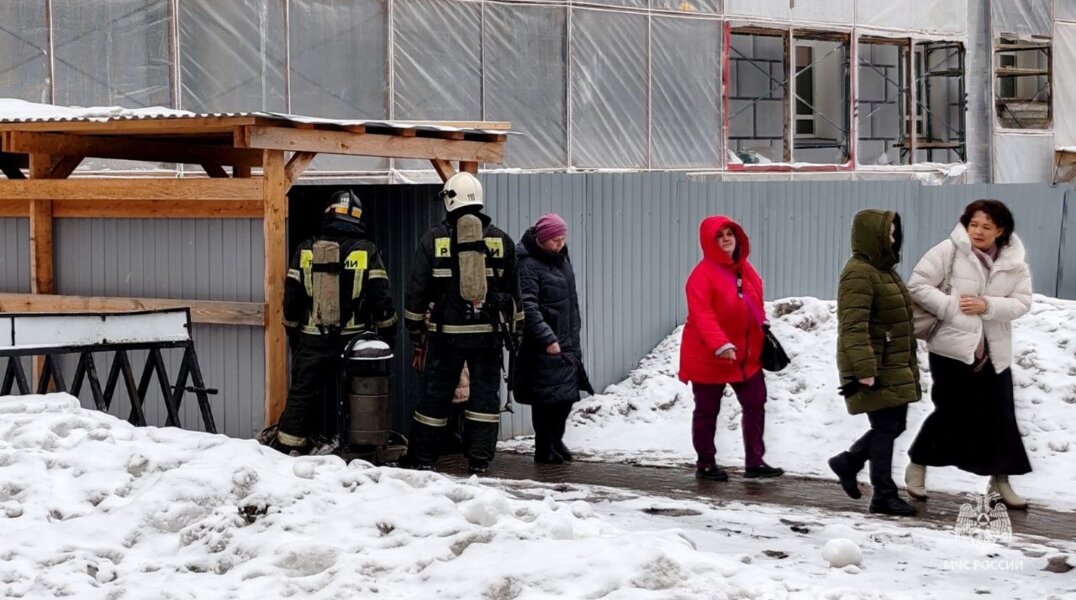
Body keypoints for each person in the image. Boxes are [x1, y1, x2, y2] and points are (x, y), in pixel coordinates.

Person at [904, 199, 1033, 509]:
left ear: (1000, 230)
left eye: (986, 226)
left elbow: (1022, 302)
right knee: (951, 412)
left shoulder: (1015, 262)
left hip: (994, 352)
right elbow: (917, 285)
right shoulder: (948, 250)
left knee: (1002, 417)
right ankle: (917, 464)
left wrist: (987, 305)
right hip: (952, 350)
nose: (978, 231)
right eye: (973, 224)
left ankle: (1000, 482)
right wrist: (952, 307)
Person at [401, 171, 522, 474]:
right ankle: (479, 460)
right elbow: (515, 292)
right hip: (487, 336)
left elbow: (417, 290)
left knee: (435, 398)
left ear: (450, 200)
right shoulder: (501, 240)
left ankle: (422, 458)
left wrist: (415, 329)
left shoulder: (434, 239)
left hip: (445, 337)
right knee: (484, 399)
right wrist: (516, 331)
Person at [272, 189, 398, 454]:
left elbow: (292, 299)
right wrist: (389, 335)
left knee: (303, 394)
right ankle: (355, 446)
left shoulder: (306, 250)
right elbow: (381, 298)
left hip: (313, 340)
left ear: (327, 214)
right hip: (353, 343)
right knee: (355, 392)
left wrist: (294, 334)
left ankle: (286, 448)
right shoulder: (366, 251)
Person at [678, 216, 784, 481]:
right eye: (719, 235)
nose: (726, 238)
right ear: (708, 241)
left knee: (755, 403)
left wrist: (761, 323)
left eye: (729, 233)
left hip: (746, 356)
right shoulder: (701, 275)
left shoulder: (745, 269)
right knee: (706, 411)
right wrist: (721, 344)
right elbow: (702, 315)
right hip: (708, 356)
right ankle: (705, 463)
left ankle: (754, 462)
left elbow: (755, 301)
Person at [829, 209, 920, 516]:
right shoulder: (858, 273)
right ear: (872, 236)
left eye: (895, 234)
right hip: (875, 365)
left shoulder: (884, 271)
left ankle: (848, 462)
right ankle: (883, 494)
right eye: (888, 234)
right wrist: (865, 369)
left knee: (894, 426)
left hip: (892, 362)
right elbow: (853, 326)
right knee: (885, 427)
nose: (893, 239)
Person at [515, 213, 594, 464]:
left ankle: (555, 440)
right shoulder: (527, 265)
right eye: (555, 240)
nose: (560, 244)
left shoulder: (561, 259)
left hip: (566, 338)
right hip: (542, 344)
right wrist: (546, 337)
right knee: (546, 399)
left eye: (563, 238)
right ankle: (544, 448)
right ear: (541, 238)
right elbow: (528, 306)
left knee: (566, 398)